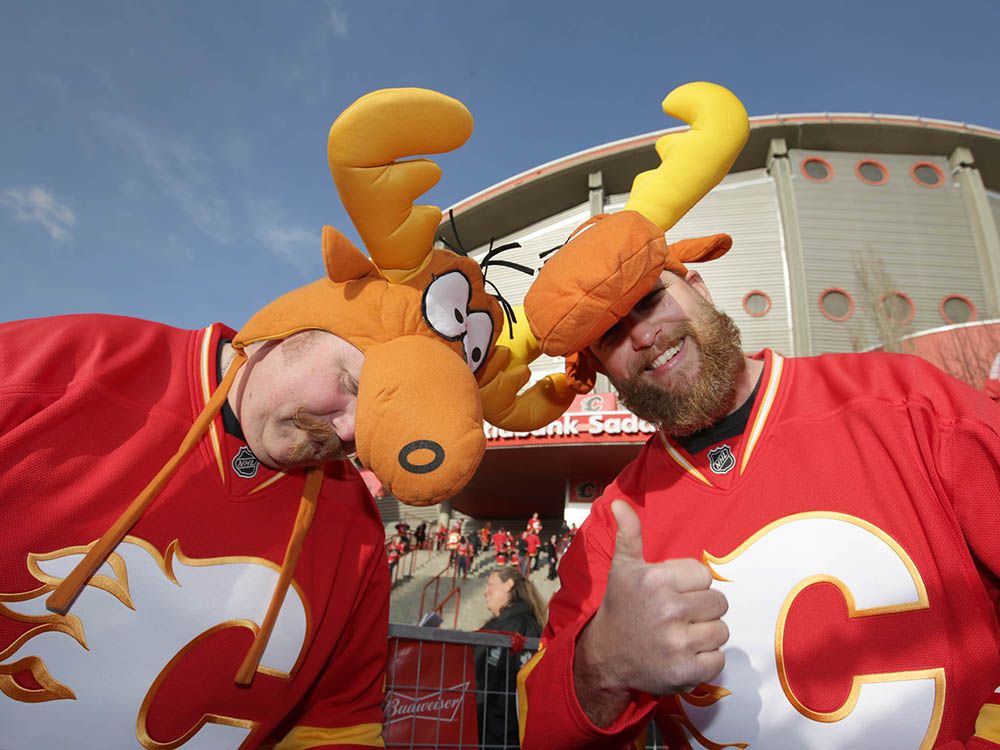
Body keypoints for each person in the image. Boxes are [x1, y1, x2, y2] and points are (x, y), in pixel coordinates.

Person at [0, 87, 563, 750]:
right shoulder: (71, 364)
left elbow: (337, 726)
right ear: (302, 319)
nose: (348, 434)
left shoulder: (355, 536)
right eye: (352, 384)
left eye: (375, 428)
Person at [518, 82, 1000, 749]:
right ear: (600, 370)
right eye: (609, 334)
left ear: (698, 284)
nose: (644, 334)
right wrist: (603, 665)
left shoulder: (909, 406)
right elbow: (545, 735)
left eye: (649, 299)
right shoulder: (614, 528)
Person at [475, 568, 546, 749]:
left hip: (501, 733)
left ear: (508, 585)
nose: (485, 592)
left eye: (490, 584)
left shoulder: (520, 626)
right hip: (495, 729)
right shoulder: (507, 623)